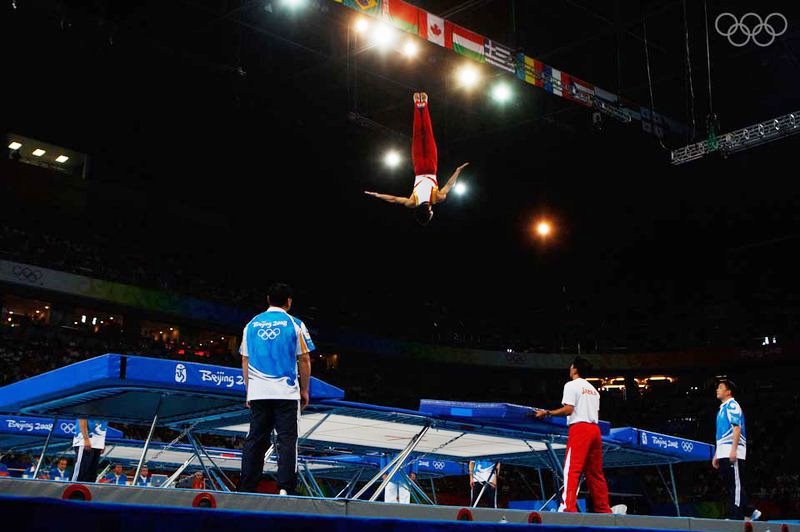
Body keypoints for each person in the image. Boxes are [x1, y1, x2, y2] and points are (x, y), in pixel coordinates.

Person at [238, 283, 315, 496]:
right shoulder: (295, 323)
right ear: (289, 301)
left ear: (268, 299)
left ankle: (247, 487)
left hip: (259, 392)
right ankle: (284, 488)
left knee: (255, 440)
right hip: (286, 392)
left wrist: (248, 391)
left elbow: (245, 360)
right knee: (287, 440)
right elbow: (305, 358)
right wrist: (305, 389)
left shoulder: (251, 325)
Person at [364, 92, 469, 225]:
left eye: (431, 214)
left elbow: (449, 185)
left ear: (430, 212)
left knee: (428, 134)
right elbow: (394, 199)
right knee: (418, 135)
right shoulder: (412, 202)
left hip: (431, 167)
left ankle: (424, 105)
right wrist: (377, 195)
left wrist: (458, 171)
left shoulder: (437, 198)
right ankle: (418, 105)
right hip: (419, 167)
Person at [534, 357, 611, 513]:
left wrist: (548, 413)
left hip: (580, 428)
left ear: (575, 369)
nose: (569, 369)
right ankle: (604, 509)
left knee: (572, 469)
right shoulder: (594, 390)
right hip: (595, 430)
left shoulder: (571, 385)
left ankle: (567, 507)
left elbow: (569, 410)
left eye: (571, 366)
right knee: (595, 473)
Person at [713, 378, 761, 521]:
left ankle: (736, 516)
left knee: (736, 486)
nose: (717, 389)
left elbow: (737, 428)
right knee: (731, 486)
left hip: (733, 451)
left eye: (720, 387)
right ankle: (751, 511)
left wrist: (733, 450)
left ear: (728, 391)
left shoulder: (733, 405)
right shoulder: (721, 409)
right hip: (723, 452)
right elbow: (720, 435)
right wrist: (716, 454)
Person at [72, 418, 107, 483]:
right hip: (84, 440)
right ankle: (73, 490)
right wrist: (86, 439)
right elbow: (82, 418)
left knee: (92, 476)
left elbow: (103, 424)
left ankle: (88, 491)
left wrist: (102, 442)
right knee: (80, 473)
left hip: (97, 443)